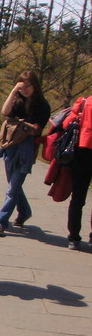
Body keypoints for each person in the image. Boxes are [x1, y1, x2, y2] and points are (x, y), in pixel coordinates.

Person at [0, 70, 51, 236]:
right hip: (10, 146)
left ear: (35, 86)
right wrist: (13, 91)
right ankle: (24, 211)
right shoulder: (17, 100)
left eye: (28, 86)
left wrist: (20, 125)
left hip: (27, 148)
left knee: (12, 188)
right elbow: (5, 112)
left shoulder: (42, 105)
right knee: (13, 184)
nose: (24, 90)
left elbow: (37, 129)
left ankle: (1, 222)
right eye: (21, 86)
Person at [61, 98, 92, 250]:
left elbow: (67, 124)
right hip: (84, 153)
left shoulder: (84, 101)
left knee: (78, 198)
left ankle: (73, 237)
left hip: (83, 153)